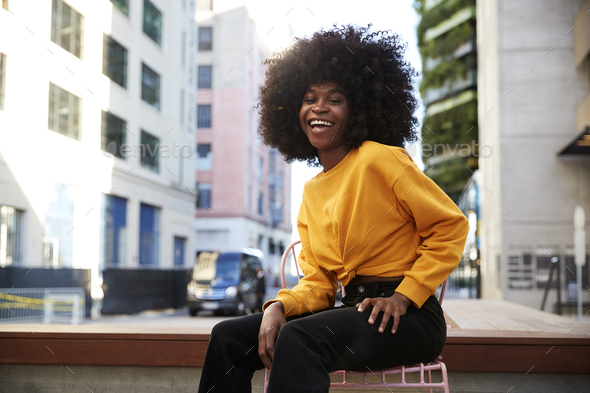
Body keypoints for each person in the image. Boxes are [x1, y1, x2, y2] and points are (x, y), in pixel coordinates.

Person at [197, 25, 469, 393]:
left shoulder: (380, 158)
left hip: (410, 317)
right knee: (227, 336)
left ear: (358, 108)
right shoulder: (311, 192)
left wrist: (405, 296)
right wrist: (277, 306)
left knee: (299, 338)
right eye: (309, 98)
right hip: (352, 311)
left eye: (334, 98)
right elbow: (319, 286)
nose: (319, 108)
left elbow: (449, 226)